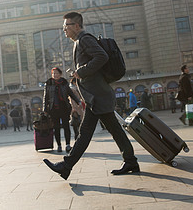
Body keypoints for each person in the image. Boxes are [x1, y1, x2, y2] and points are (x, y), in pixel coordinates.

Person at [43, 12, 139, 180]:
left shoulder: (85, 39)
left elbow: (102, 56)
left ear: (77, 26)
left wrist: (81, 72)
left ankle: (66, 166)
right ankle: (130, 161)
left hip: (98, 96)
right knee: (109, 131)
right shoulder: (79, 41)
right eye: (63, 26)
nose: (64, 29)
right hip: (96, 96)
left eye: (67, 26)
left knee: (87, 133)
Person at [43, 67, 81, 153]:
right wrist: (44, 108)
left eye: (56, 73)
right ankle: (59, 145)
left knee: (66, 127)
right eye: (53, 73)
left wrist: (78, 101)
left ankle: (68, 145)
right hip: (53, 109)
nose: (55, 75)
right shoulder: (48, 83)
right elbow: (45, 97)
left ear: (60, 74)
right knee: (56, 128)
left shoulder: (64, 82)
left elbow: (70, 93)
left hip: (64, 107)